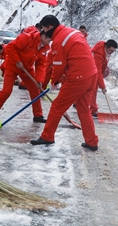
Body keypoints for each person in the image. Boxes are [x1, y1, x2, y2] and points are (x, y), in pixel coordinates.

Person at [30, 15, 99, 151]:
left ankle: (47, 137)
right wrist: (60, 79)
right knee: (84, 109)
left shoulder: (59, 40)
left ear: (50, 27)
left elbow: (59, 65)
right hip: (91, 74)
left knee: (57, 106)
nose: (44, 32)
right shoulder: (71, 32)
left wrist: (54, 81)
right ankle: (92, 142)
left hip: (78, 77)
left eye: (44, 29)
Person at [0, 24, 51, 123]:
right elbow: (10, 47)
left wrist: (39, 80)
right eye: (49, 40)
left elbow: (41, 64)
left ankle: (38, 115)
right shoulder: (27, 38)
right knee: (7, 91)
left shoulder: (45, 47)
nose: (49, 43)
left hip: (26, 69)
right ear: (43, 36)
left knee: (35, 90)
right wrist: (17, 61)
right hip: (12, 65)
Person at [90, 39, 118, 117]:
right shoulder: (98, 54)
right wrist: (102, 86)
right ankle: (92, 110)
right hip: (89, 72)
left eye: (113, 51)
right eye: (110, 50)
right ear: (106, 46)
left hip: (93, 72)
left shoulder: (104, 51)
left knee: (89, 90)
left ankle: (80, 104)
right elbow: (98, 71)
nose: (111, 52)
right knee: (93, 89)